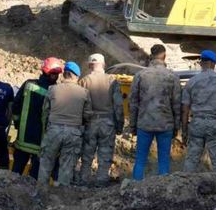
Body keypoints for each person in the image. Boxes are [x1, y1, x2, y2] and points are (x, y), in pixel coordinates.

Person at [128, 44, 181, 181]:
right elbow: (177, 104)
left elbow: (133, 102)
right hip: (165, 124)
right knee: (164, 161)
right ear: (165, 56)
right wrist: (176, 126)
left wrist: (133, 125)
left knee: (140, 160)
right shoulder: (172, 76)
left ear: (150, 56)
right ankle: (162, 188)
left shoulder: (140, 75)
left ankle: (135, 188)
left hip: (144, 123)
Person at [182, 50, 216, 172]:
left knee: (191, 161)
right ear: (213, 64)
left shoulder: (191, 82)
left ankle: (186, 182)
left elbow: (185, 109)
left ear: (201, 63)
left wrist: (184, 131)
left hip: (197, 123)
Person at [39, 61, 91, 186]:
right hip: (73, 133)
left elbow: (45, 112)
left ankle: (41, 190)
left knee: (46, 162)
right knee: (67, 167)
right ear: (76, 76)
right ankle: (61, 194)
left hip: (53, 130)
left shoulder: (52, 89)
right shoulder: (84, 93)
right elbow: (87, 116)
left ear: (64, 75)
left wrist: (46, 129)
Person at [13, 57, 63, 179]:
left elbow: (15, 107)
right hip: (41, 144)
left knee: (15, 174)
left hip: (23, 139)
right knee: (33, 178)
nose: (56, 76)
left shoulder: (28, 84)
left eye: (57, 74)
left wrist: (18, 125)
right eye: (54, 73)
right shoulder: (56, 92)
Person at [78, 54, 124, 185]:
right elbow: (118, 105)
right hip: (108, 123)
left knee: (87, 154)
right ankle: (102, 180)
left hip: (89, 123)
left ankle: (84, 179)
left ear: (89, 65)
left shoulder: (84, 81)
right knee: (105, 154)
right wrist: (119, 126)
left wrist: (80, 124)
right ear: (104, 64)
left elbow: (79, 105)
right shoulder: (112, 81)